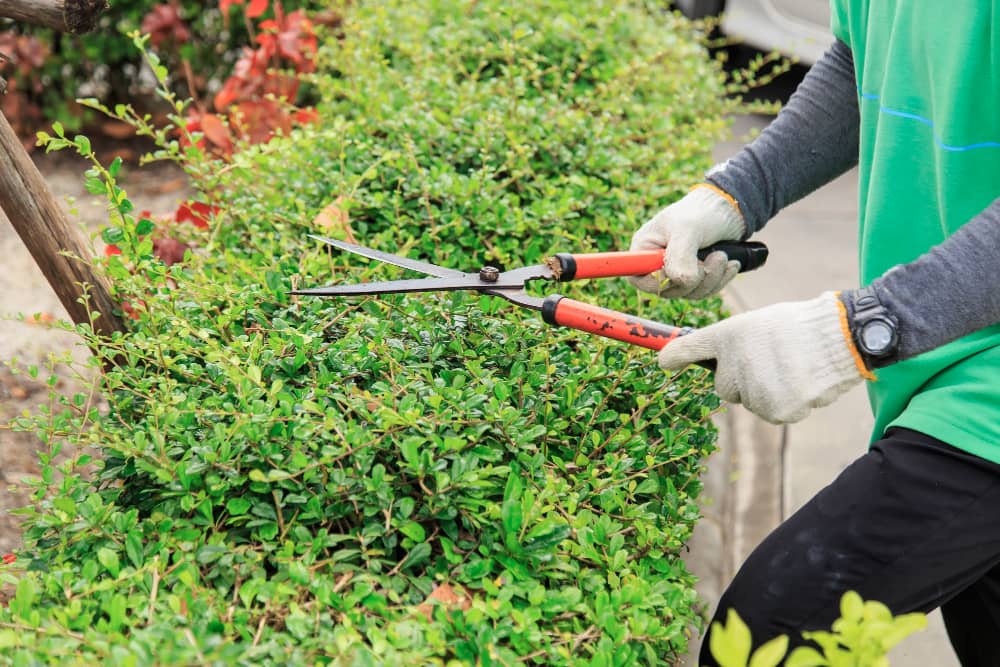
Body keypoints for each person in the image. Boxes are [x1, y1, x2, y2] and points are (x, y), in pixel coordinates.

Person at [628, 5, 1000, 666]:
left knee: (765, 638)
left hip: (982, 405)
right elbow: (865, 60)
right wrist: (734, 196)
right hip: (940, 370)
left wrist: (857, 332)